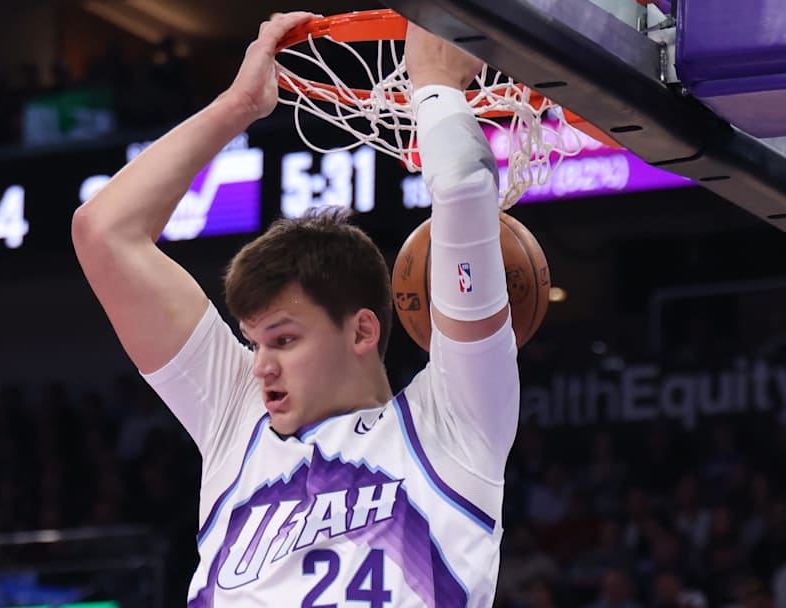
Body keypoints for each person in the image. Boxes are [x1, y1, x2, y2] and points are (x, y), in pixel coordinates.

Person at [72, 11, 520, 607]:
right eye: (254, 342)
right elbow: (103, 232)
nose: (259, 365)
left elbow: (464, 186)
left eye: (283, 340)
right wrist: (238, 105)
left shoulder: (454, 425)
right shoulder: (238, 414)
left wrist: (434, 84)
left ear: (361, 330)